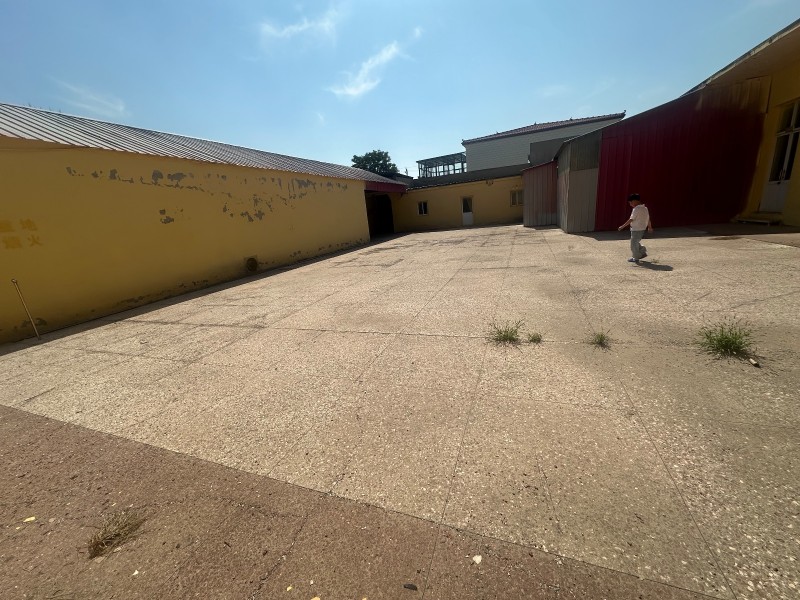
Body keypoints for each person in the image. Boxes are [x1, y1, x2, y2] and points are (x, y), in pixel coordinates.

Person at [618, 193, 653, 263]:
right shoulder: (645, 208)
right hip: (641, 229)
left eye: (630, 203)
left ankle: (637, 256)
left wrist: (622, 226)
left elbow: (631, 219)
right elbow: (648, 219)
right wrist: (650, 227)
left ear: (634, 201)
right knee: (635, 242)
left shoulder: (636, 209)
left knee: (633, 244)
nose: (630, 204)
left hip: (636, 229)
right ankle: (642, 251)